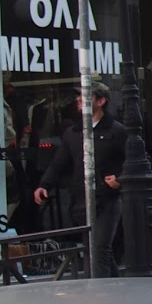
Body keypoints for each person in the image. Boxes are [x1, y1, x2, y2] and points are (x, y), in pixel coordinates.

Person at [35, 80, 127, 278]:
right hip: (81, 199)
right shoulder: (73, 133)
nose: (79, 100)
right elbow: (59, 163)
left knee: (99, 248)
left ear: (101, 101)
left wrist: (120, 179)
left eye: (85, 96)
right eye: (78, 96)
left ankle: (100, 290)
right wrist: (44, 185)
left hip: (107, 198)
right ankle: (117, 286)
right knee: (97, 248)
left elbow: (136, 161)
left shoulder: (117, 130)